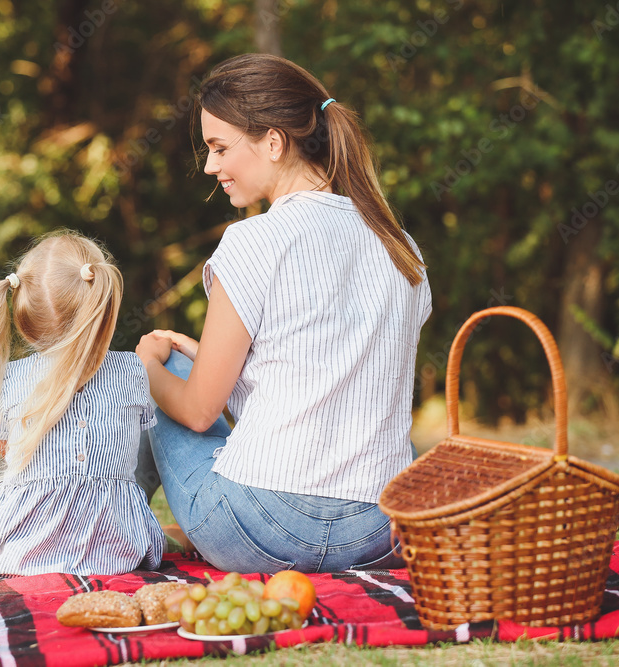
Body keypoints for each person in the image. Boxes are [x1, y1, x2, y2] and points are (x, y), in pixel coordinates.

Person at [135, 53, 432, 573]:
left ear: (273, 142)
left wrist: (145, 367)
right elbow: (329, 373)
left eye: (219, 148)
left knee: (158, 372)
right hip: (382, 532)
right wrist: (207, 358)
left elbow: (200, 412)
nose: (209, 166)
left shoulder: (253, 241)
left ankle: (98, 527)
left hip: (259, 531)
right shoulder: (401, 246)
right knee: (188, 364)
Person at [0, 231, 165, 579]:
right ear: (101, 306)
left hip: (21, 553)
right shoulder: (132, 370)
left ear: (25, 325)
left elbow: (2, 451)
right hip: (116, 551)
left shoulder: (10, 377)